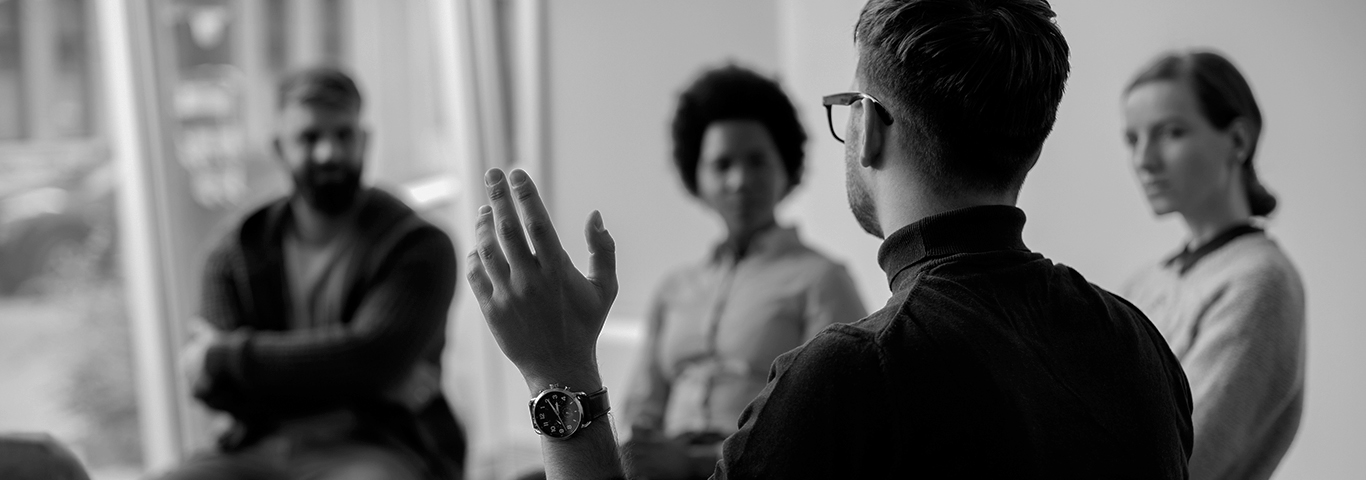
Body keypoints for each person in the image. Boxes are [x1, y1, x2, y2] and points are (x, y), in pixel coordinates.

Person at [465, 0, 1193, 478]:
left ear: (868, 127)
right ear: (1031, 146)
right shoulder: (1138, 346)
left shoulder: (853, 375)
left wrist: (555, 373)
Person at [163, 67, 465, 480]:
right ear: (279, 148)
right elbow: (212, 388)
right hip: (255, 446)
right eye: (309, 138)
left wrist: (227, 356)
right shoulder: (232, 254)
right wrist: (359, 380)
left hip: (376, 445)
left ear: (365, 141)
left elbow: (372, 358)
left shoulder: (420, 247)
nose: (329, 153)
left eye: (344, 135)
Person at [619, 65, 866, 480]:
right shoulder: (674, 289)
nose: (739, 180)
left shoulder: (822, 280)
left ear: (786, 169)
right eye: (721, 164)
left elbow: (827, 424)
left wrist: (696, 462)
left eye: (756, 161)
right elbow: (640, 412)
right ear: (695, 177)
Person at [1120, 50, 1306, 480]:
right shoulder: (1144, 282)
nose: (1145, 160)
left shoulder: (1260, 283)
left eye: (1171, 132)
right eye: (1132, 139)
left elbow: (1179, 463)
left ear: (1237, 141)